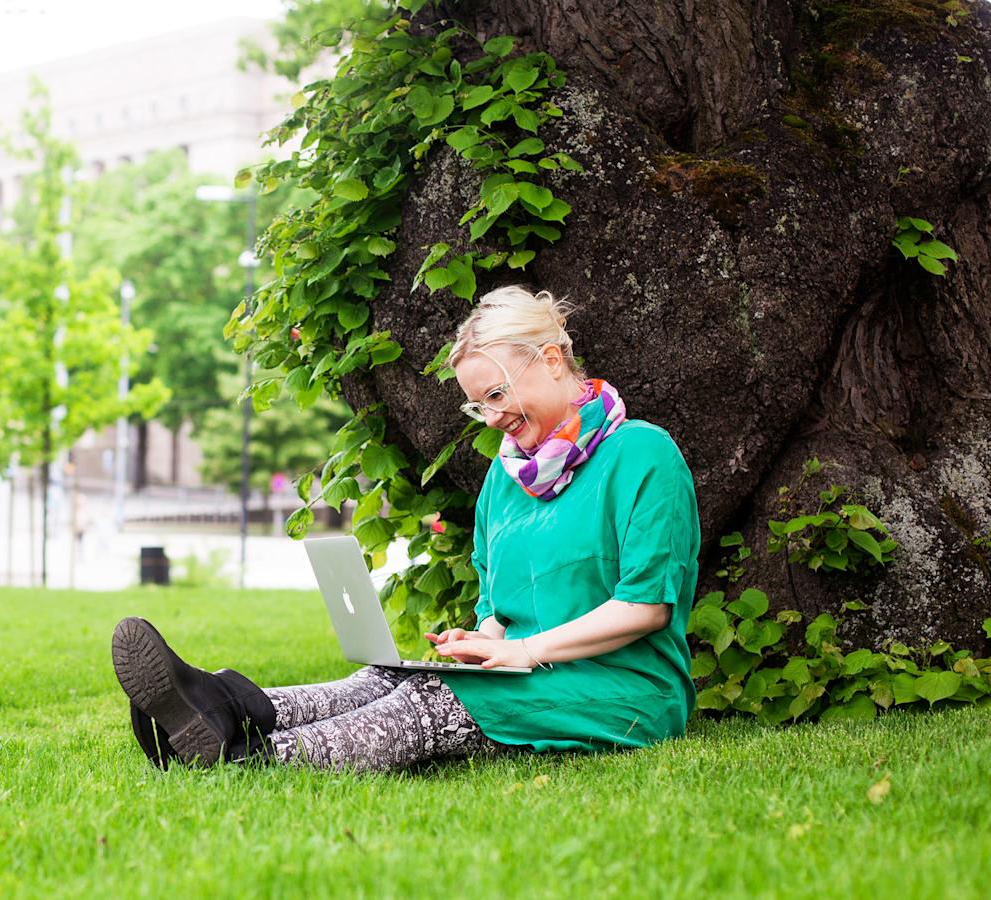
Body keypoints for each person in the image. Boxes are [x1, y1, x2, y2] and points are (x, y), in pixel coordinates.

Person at [110, 285, 702, 772]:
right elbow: (497, 606)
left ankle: (251, 757)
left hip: (627, 689)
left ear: (550, 360)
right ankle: (213, 703)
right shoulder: (507, 477)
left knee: (432, 698)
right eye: (478, 405)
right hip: (530, 670)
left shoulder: (643, 455)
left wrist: (522, 650)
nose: (492, 417)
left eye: (496, 394)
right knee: (384, 678)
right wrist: (482, 643)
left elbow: (646, 607)